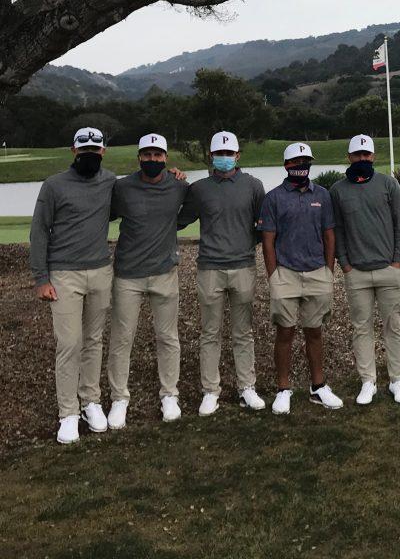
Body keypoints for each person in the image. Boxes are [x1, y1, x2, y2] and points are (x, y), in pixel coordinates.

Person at [30, 127, 116, 444]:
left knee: (94, 341)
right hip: (64, 275)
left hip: (100, 271)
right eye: (84, 150)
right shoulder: (54, 185)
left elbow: (135, 199)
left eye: (95, 149)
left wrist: (174, 177)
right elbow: (39, 231)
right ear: (73, 151)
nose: (90, 155)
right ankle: (67, 412)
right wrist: (41, 278)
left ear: (103, 152)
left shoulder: (109, 182)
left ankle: (90, 401)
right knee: (70, 344)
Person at [178, 131, 266, 416]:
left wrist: (247, 245)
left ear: (238, 156)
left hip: (243, 266)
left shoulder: (253, 186)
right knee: (210, 332)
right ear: (211, 157)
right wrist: (171, 184)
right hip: (210, 269)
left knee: (243, 331)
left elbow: (262, 224)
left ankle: (247, 387)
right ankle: (210, 390)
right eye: (220, 154)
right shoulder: (200, 189)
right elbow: (179, 219)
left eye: (229, 154)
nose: (225, 158)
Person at [107, 134, 189, 429]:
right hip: (128, 274)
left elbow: (187, 213)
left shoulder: (179, 185)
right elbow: (108, 214)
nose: (152, 160)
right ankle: (119, 398)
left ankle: (169, 394)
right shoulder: (123, 187)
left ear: (166, 158)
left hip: (165, 272)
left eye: (158, 156)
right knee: (121, 339)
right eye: (147, 155)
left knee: (168, 337)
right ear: (139, 157)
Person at [259, 143, 344, 415]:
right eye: (296, 161)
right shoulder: (273, 198)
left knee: (314, 331)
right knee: (285, 332)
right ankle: (283, 388)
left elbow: (329, 235)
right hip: (285, 273)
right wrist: (273, 275)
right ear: (286, 165)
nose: (301, 165)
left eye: (305, 161)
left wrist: (329, 270)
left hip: (318, 272)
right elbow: (268, 241)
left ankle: (318, 386)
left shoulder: (323, 194)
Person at [329, 134, 400, 406]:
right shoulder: (338, 190)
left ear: (373, 156)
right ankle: (368, 381)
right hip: (357, 273)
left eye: (367, 155)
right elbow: (337, 229)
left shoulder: (389, 184)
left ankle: (397, 380)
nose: (362, 159)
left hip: (389, 268)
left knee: (394, 326)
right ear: (349, 157)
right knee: (361, 328)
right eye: (357, 155)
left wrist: (398, 259)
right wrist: (345, 263)